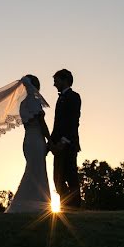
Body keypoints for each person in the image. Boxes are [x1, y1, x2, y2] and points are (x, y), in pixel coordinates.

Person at [6, 75, 52, 213]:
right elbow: (41, 123)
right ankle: (34, 206)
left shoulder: (23, 104)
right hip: (36, 139)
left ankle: (33, 205)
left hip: (28, 140)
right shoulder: (33, 101)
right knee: (36, 170)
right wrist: (50, 140)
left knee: (33, 170)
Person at [50, 68, 81, 209]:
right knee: (58, 178)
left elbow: (73, 121)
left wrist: (64, 141)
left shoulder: (74, 97)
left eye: (56, 80)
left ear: (65, 80)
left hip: (68, 144)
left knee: (71, 177)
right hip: (57, 144)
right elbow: (57, 124)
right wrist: (50, 142)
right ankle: (65, 206)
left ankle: (75, 207)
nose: (54, 84)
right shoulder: (60, 98)